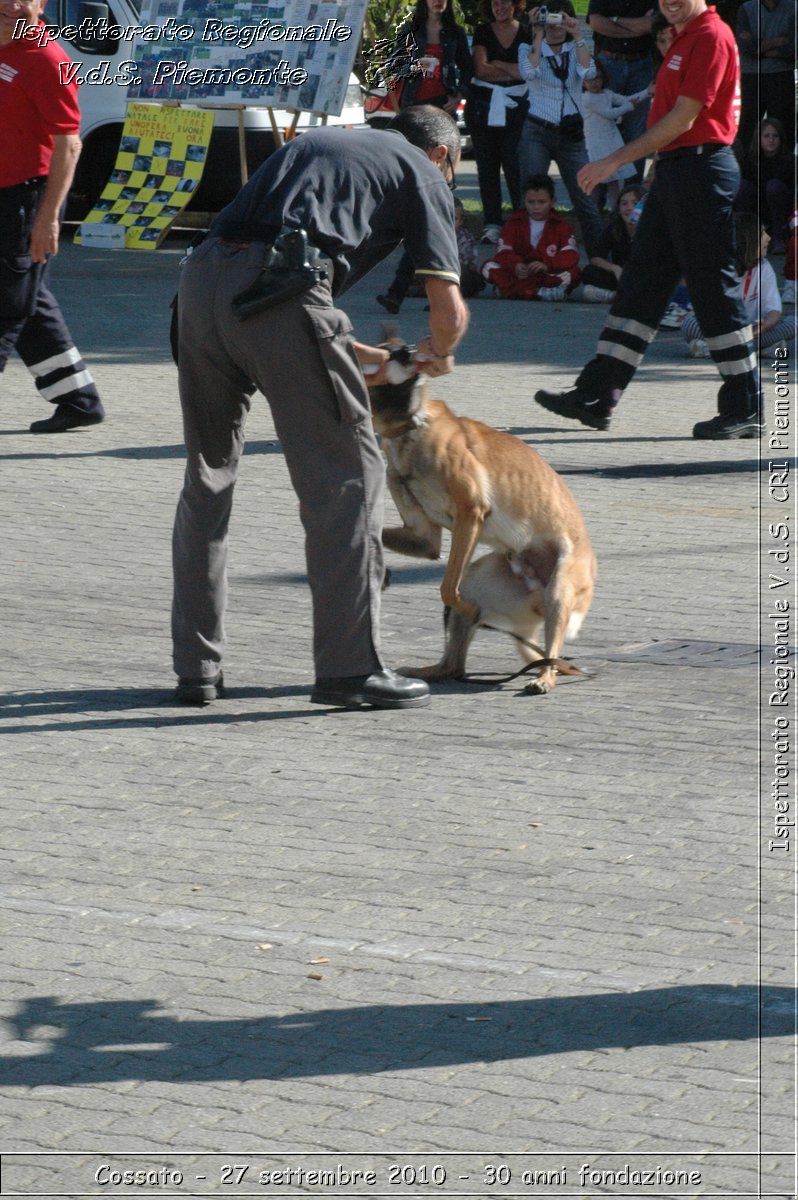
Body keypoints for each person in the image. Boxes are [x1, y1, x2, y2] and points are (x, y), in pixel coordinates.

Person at [171, 106, 469, 710]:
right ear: (441, 154)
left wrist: (383, 359)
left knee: (207, 476)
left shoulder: (326, 145)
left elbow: (289, 298)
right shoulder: (421, 171)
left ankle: (196, 670)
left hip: (198, 289)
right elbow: (448, 306)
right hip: (276, 295)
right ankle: (349, 667)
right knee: (350, 476)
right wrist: (439, 350)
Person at [534, 0, 763, 440]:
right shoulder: (685, 37)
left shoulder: (711, 36)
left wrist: (613, 161)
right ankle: (597, 394)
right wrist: (658, 165)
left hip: (700, 169)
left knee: (712, 287)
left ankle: (746, 403)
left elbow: (685, 117)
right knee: (642, 282)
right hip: (679, 170)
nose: (669, 2)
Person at [0, 0, 105, 434]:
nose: (15, 4)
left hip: (30, 199)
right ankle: (78, 400)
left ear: (42, 4)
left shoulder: (48, 58)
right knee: (31, 302)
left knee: (6, 306)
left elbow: (70, 144)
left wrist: (48, 219)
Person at [517, 1, 605, 258]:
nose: (556, 27)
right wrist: (538, 33)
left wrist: (578, 35)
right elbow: (528, 72)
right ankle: (525, 261)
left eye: (561, 19)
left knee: (587, 200)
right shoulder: (529, 47)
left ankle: (600, 264)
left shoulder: (575, 46)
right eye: (551, 21)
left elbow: (588, 72)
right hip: (536, 131)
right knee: (532, 198)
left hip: (571, 135)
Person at [682, 213, 797, 354]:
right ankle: (755, 349)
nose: (768, 237)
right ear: (747, 240)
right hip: (723, 329)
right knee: (689, 325)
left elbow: (774, 310)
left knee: (793, 323)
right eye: (762, 233)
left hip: (753, 330)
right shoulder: (720, 267)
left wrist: (765, 326)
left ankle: (717, 350)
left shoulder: (764, 267)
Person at [467, 0, 530, 245]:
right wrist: (513, 70)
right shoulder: (483, 31)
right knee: (487, 165)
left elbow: (528, 71)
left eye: (505, 2)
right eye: (495, 3)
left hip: (517, 104)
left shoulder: (527, 31)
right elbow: (481, 69)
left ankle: (519, 220)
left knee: (514, 162)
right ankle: (492, 223)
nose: (500, 7)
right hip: (483, 104)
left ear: (516, 5)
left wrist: (500, 64)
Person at [377, 195, 484, 313]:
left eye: (454, 218)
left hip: (459, 276)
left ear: (461, 221)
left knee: (447, 269)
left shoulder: (464, 237)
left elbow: (466, 262)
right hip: (431, 271)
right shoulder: (432, 234)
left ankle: (441, 301)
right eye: (444, 217)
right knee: (410, 259)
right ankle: (394, 297)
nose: (448, 221)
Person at [482, 173, 581, 299]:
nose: (536, 207)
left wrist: (547, 264)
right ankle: (538, 292)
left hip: (545, 272)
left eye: (542, 202)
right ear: (524, 201)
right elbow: (503, 251)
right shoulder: (514, 222)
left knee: (574, 273)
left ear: (552, 201)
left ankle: (512, 290)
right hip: (520, 272)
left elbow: (571, 255)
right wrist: (516, 265)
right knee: (488, 267)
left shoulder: (561, 225)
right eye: (531, 202)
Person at [587, 0, 655, 178]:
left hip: (641, 63)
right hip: (609, 62)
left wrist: (614, 20)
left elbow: (651, 24)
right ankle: (599, 190)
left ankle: (632, 194)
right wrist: (634, 28)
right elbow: (596, 22)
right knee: (601, 127)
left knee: (637, 131)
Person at [581, 62, 649, 208]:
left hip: (611, 141)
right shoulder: (588, 98)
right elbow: (610, 113)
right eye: (589, 79)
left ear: (603, 78)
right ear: (582, 81)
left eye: (597, 78)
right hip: (596, 143)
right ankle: (594, 214)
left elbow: (627, 99)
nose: (594, 82)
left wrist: (647, 92)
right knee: (595, 182)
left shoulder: (607, 94)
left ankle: (615, 213)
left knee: (614, 182)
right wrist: (629, 107)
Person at [735, 0, 796, 155]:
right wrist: (777, 41)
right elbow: (746, 48)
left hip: (781, 76)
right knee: (746, 129)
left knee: (784, 130)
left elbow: (792, 50)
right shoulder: (746, 8)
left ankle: (784, 174)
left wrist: (759, 51)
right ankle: (746, 173)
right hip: (751, 77)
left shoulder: (793, 7)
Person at [734, 118, 794, 253]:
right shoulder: (750, 161)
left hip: (780, 210)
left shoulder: (789, 161)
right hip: (756, 208)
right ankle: (747, 238)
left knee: (774, 186)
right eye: (766, 136)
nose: (771, 140)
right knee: (742, 186)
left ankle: (779, 237)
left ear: (781, 139)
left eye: (775, 136)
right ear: (759, 138)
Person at [580, 182, 645, 299]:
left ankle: (621, 296)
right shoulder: (615, 228)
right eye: (624, 204)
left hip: (643, 277)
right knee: (589, 272)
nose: (629, 208)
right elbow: (595, 258)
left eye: (635, 204)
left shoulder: (653, 230)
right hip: (620, 276)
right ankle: (616, 296)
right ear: (619, 209)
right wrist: (615, 268)